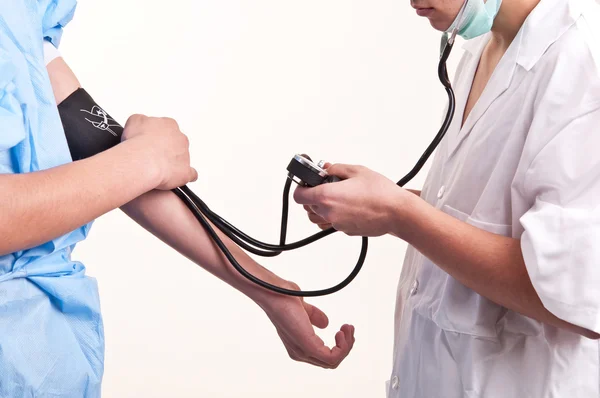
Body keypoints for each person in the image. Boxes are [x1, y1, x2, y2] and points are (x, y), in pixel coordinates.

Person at [0, 1, 355, 396]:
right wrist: (144, 160)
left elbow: (92, 141)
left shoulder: (19, 15)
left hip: (43, 356)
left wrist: (270, 289)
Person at [294, 0, 600, 396]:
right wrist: (376, 204)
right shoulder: (484, 48)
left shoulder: (582, 65)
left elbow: (578, 293)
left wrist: (398, 212)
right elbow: (486, 213)